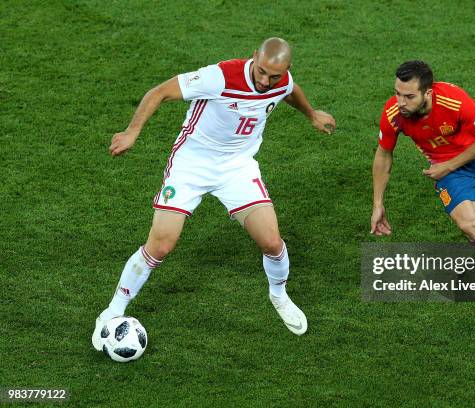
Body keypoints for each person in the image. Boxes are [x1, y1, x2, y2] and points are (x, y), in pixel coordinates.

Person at [92, 37, 336, 350]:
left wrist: (311, 113)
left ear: (285, 70)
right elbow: (160, 92)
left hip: (237, 168)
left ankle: (279, 295)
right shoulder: (219, 77)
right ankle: (113, 311)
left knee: (272, 242)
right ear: (253, 58)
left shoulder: (281, 80)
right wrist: (132, 131)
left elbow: (289, 91)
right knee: (161, 245)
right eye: (261, 72)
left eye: (273, 76)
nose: (265, 81)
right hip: (192, 166)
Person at [370, 60, 475, 296]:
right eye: (397, 94)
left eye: (408, 96)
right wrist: (378, 203)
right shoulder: (394, 114)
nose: (400, 102)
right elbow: (383, 154)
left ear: (427, 93)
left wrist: (448, 166)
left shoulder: (455, 101)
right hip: (450, 167)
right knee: (469, 226)